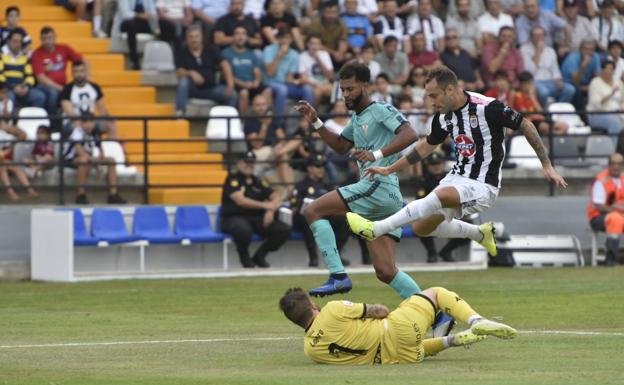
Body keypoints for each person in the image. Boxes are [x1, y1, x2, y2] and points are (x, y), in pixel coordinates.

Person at [346, 66, 567, 256]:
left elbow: (526, 124)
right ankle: (479, 233)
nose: (431, 102)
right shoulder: (443, 116)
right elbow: (424, 147)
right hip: (456, 179)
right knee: (422, 227)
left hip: (483, 184)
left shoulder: (487, 107)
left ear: (450, 89)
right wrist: (390, 168)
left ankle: (376, 229)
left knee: (439, 196)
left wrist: (546, 165)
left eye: (433, 96)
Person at [293, 60, 427, 300]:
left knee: (313, 210)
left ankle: (337, 276)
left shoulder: (380, 110)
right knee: (386, 271)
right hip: (386, 194)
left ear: (366, 86)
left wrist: (376, 155)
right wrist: (315, 121)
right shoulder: (358, 118)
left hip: (377, 184)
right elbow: (341, 146)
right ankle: (435, 311)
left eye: (351, 89)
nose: (346, 94)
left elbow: (410, 134)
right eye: (343, 89)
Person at [279, 285, 517, 365]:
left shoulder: (311, 351)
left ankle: (451, 340)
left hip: (398, 357)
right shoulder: (331, 310)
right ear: (312, 306)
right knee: (435, 293)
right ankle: (477, 321)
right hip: (399, 328)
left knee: (416, 347)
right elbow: (379, 311)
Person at [220, 151, 291, 268]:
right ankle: (244, 257)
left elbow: (276, 195)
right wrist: (265, 206)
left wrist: (271, 210)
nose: (249, 165)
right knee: (243, 230)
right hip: (233, 218)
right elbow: (240, 201)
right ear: (238, 163)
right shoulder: (232, 179)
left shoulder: (258, 181)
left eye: (252, 162)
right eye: (246, 162)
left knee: (283, 230)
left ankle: (260, 255)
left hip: (255, 218)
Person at [290, 153, 351, 267]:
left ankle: (335, 255)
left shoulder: (327, 187)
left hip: (325, 217)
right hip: (305, 219)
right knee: (306, 219)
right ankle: (313, 257)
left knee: (347, 219)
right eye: (317, 166)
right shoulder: (301, 186)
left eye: (322, 166)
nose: (321, 169)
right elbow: (295, 208)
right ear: (309, 168)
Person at [62, 113, 127, 204]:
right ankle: (80, 195)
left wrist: (100, 162)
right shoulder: (77, 132)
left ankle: (113, 194)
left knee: (111, 161)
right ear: (81, 123)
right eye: (85, 122)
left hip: (88, 158)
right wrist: (96, 163)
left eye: (91, 122)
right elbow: (80, 152)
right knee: (84, 161)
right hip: (70, 159)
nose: (88, 125)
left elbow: (101, 152)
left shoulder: (95, 133)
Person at [174, 25, 237, 115]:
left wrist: (230, 84)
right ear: (187, 39)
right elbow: (178, 72)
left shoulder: (211, 49)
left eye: (196, 36)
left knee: (232, 95)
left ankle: (223, 120)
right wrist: (191, 73)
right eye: (191, 37)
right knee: (184, 81)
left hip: (211, 89)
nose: (194, 39)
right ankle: (179, 114)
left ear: (201, 38)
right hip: (193, 90)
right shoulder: (182, 52)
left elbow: (225, 65)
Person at [243, 94, 297, 194]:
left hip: (274, 151)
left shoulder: (273, 118)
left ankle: (289, 189)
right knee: (282, 155)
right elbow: (257, 145)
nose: (261, 108)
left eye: (263, 105)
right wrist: (264, 125)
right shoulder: (249, 122)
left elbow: (282, 138)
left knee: (296, 140)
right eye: (258, 105)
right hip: (259, 153)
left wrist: (279, 147)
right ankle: (291, 190)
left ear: (267, 105)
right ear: (253, 107)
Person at [263, 28, 314, 124]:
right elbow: (270, 72)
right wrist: (279, 55)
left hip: (286, 84)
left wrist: (297, 81)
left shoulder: (294, 54)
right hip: (271, 82)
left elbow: (289, 78)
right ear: (278, 39)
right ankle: (279, 123)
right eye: (283, 38)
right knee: (282, 90)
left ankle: (305, 122)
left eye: (288, 38)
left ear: (291, 40)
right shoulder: (268, 49)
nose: (285, 41)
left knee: (307, 89)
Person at [30, 26, 84, 116]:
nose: (47, 41)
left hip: (62, 85)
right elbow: (41, 79)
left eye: (50, 38)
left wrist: (87, 78)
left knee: (78, 88)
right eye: (44, 38)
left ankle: (76, 118)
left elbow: (82, 60)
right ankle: (52, 119)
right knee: (53, 92)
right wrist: (61, 88)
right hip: (44, 87)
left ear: (55, 37)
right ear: (41, 39)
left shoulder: (63, 48)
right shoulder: (36, 54)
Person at [520, 26, 575, 107]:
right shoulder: (524, 49)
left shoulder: (550, 51)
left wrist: (558, 79)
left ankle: (557, 111)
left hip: (551, 81)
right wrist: (538, 52)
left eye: (541, 35)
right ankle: (546, 114)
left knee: (570, 89)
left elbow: (555, 69)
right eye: (536, 35)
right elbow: (529, 72)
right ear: (531, 37)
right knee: (544, 92)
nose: (539, 38)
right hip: (535, 81)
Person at [60, 61, 118, 138]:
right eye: (76, 71)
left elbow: (102, 109)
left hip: (91, 120)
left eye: (81, 71)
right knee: (80, 125)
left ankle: (111, 149)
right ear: (72, 73)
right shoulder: (67, 89)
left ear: (86, 72)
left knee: (110, 125)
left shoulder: (94, 87)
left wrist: (106, 119)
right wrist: (85, 122)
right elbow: (70, 113)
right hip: (73, 122)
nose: (79, 74)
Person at [0, 83, 38, 201]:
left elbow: (8, 120)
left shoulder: (9, 105)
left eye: (5, 92)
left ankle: (29, 189)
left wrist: (9, 148)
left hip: (4, 152)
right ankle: (11, 192)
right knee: (2, 166)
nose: (4, 95)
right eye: (2, 92)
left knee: (11, 165)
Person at [222, 26, 270, 115]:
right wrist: (244, 84)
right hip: (237, 85)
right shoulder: (226, 53)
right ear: (233, 37)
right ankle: (243, 122)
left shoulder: (251, 53)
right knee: (244, 92)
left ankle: (265, 118)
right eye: (237, 34)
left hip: (251, 84)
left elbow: (256, 70)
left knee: (267, 90)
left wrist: (256, 81)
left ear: (246, 37)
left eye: (243, 34)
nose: (240, 37)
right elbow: (227, 75)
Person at [587, 152, 624, 266]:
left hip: (619, 215)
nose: (616, 166)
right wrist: (618, 210)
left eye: (619, 164)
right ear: (609, 165)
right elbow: (599, 205)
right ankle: (610, 259)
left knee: (617, 218)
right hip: (597, 217)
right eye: (613, 163)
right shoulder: (601, 180)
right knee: (615, 218)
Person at [118, 0, 176, 70]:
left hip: (146, 21)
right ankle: (134, 61)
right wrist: (139, 15)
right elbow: (125, 14)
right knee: (131, 26)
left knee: (168, 26)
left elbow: (152, 12)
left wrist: (153, 20)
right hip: (128, 22)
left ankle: (164, 56)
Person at [0, 31, 46, 109]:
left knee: (39, 96)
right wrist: (13, 87)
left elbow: (30, 76)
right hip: (7, 89)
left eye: (20, 42)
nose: (18, 44)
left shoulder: (25, 58)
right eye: (15, 41)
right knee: (9, 98)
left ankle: (33, 120)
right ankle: (13, 121)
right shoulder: (1, 57)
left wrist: (26, 86)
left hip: (22, 88)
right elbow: (0, 76)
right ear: (8, 42)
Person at [561, 39, 602, 110]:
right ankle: (584, 118)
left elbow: (598, 76)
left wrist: (593, 86)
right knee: (577, 91)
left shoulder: (596, 57)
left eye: (591, 49)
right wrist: (583, 66)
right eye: (585, 49)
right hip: (569, 83)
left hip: (585, 83)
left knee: (599, 89)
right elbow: (575, 81)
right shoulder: (573, 58)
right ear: (580, 49)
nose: (588, 52)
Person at [306, 0, 349, 67]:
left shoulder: (342, 24)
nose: (331, 15)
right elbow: (315, 44)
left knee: (348, 56)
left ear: (338, 12)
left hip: (335, 52)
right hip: (320, 51)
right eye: (328, 12)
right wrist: (334, 53)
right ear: (323, 12)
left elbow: (343, 41)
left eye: (334, 12)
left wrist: (340, 53)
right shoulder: (316, 23)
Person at [586, 60, 624, 137]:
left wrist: (621, 109)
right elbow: (597, 104)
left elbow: (622, 100)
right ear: (602, 70)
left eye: (612, 69)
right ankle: (610, 147)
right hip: (598, 114)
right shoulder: (595, 83)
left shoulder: (618, 82)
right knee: (615, 123)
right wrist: (611, 94)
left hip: (617, 113)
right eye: (608, 69)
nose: (610, 71)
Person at [299, 35, 335, 107]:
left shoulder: (325, 54)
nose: (315, 46)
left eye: (317, 44)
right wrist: (318, 85)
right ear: (308, 44)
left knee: (338, 92)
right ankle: (313, 116)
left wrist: (318, 59)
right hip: (312, 85)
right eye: (313, 43)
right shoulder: (302, 56)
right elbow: (303, 78)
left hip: (326, 84)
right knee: (317, 93)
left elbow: (330, 76)